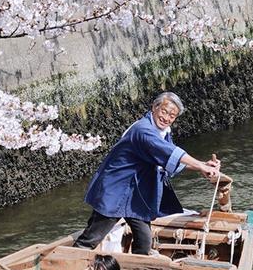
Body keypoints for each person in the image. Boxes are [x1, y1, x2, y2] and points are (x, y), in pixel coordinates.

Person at [74, 91, 221, 254]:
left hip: (136, 196)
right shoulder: (143, 130)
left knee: (144, 241)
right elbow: (170, 152)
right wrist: (201, 166)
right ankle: (66, 266)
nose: (166, 118)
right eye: (164, 111)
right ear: (154, 107)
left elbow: (168, 160)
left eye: (172, 116)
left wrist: (202, 165)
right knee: (92, 237)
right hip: (115, 191)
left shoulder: (164, 133)